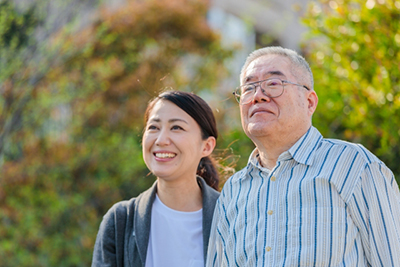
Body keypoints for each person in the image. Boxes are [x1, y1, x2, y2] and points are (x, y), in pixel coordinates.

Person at [206, 46, 400, 266]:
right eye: (249, 88)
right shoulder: (233, 191)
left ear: (309, 102)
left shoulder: (353, 165)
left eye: (273, 84)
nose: (258, 96)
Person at [92, 90, 220, 267]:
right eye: (153, 127)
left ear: (206, 146)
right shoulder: (120, 221)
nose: (161, 140)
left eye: (176, 127)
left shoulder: (231, 217)